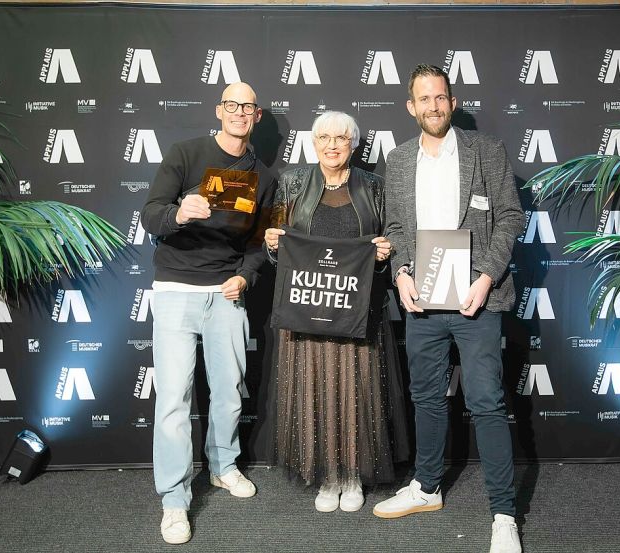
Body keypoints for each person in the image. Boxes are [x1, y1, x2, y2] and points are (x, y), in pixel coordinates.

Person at [374, 65, 525, 553]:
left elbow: (510, 217)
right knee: (426, 398)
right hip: (423, 303)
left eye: (441, 97)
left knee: (486, 402)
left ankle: (504, 514)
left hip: (476, 299)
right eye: (424, 99)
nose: (433, 106)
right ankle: (426, 487)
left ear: (452, 102)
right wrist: (399, 273)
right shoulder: (397, 161)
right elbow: (395, 228)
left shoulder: (487, 152)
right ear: (411, 107)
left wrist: (485, 277)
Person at [140, 82, 276, 545]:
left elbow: (258, 243)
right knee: (174, 399)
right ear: (220, 110)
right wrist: (178, 212)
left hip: (225, 292)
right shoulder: (185, 153)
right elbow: (150, 213)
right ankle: (175, 500)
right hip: (176, 288)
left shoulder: (264, 175)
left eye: (248, 107)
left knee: (230, 391)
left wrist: (246, 276)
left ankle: (223, 466)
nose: (240, 112)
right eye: (232, 104)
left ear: (257, 116)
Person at [264, 111, 408, 513]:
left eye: (341, 138)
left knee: (356, 392)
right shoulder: (292, 183)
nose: (332, 145)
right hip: (305, 310)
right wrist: (273, 246)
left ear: (353, 144)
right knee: (314, 390)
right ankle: (327, 476)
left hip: (358, 310)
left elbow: (391, 238)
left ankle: (352, 476)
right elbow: (275, 247)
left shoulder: (375, 187)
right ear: (313, 142)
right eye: (324, 137)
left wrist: (383, 255)